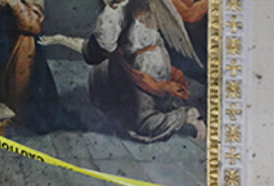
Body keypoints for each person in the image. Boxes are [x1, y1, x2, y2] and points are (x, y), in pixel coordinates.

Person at [82, 0, 206, 143]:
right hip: (153, 59)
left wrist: (112, 8)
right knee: (103, 81)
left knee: (142, 124)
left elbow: (105, 44)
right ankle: (162, 105)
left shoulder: (120, 8)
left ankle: (185, 116)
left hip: (143, 65)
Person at [0, 0, 84, 134]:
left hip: (18, 42)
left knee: (27, 39)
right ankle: (5, 102)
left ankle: (20, 106)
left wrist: (16, 5)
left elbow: (33, 24)